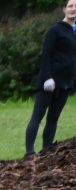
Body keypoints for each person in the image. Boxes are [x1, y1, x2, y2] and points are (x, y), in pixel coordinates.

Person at [27, 0, 76, 157]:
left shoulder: (74, 32)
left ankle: (46, 153)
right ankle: (29, 153)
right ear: (64, 9)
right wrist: (48, 77)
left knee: (53, 119)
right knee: (38, 116)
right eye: (70, 6)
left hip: (65, 83)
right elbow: (46, 55)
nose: (73, 9)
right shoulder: (55, 30)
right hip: (49, 82)